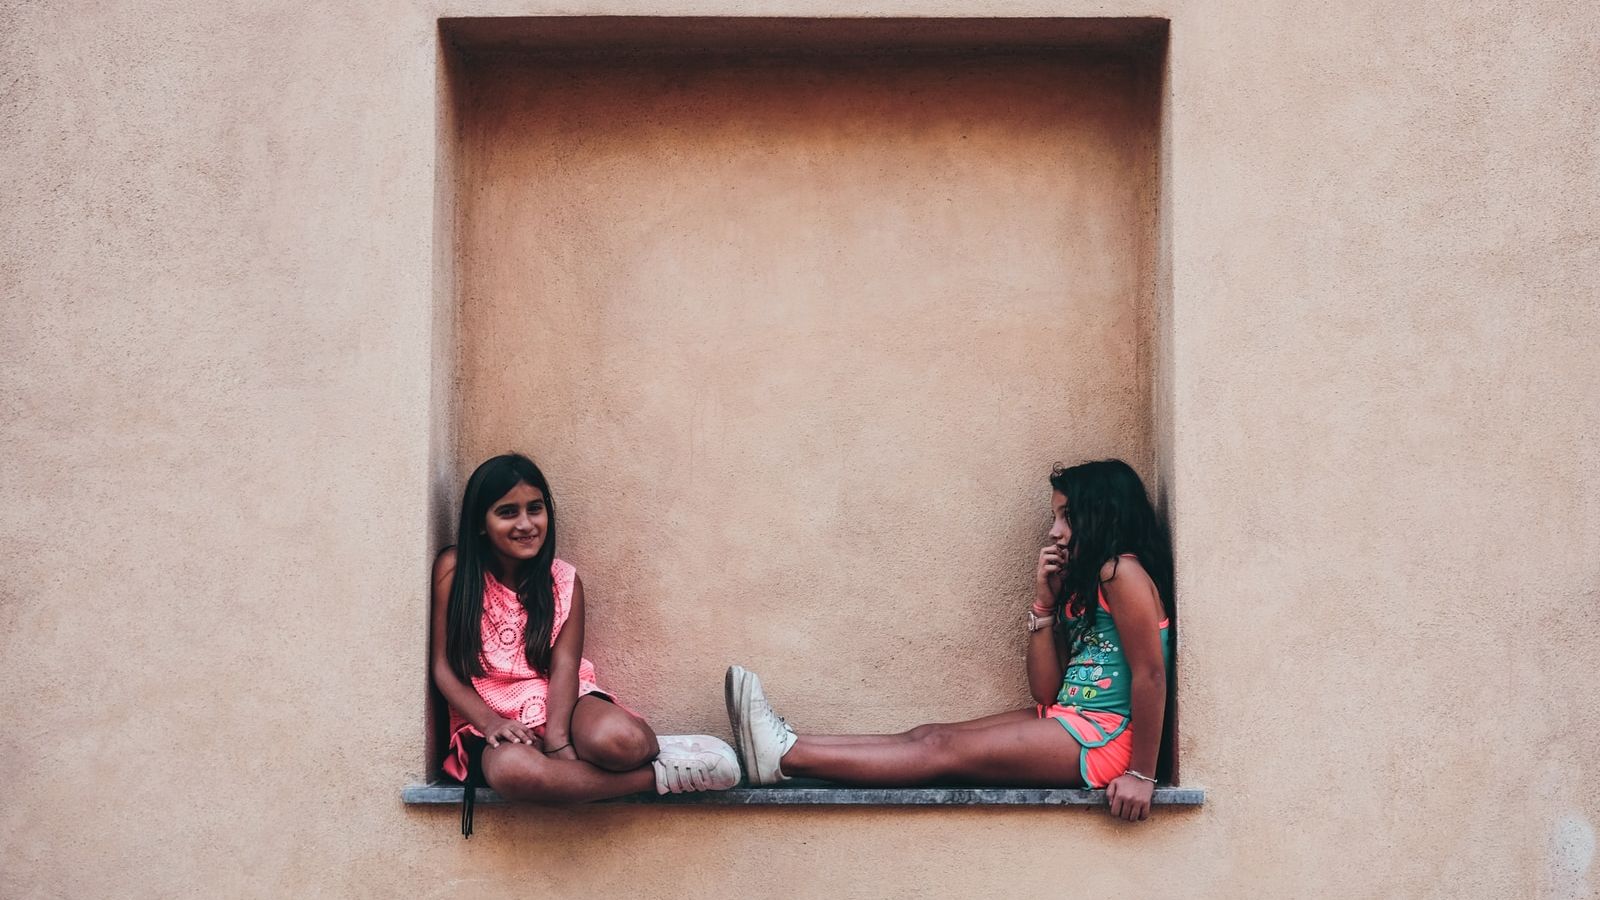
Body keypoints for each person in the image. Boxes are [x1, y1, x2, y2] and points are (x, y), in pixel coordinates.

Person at [726, 459, 1174, 821]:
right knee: (929, 735)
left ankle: (788, 757)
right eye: (1055, 516)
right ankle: (788, 745)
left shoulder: (1122, 573)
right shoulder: (1088, 586)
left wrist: (1141, 774)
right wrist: (1044, 605)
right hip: (1071, 719)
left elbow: (1151, 675)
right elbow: (1046, 692)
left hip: (1107, 738)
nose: (1054, 531)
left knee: (941, 752)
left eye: (1068, 517)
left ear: (1104, 515)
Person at [433, 454, 739, 833]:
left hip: (563, 702)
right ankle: (661, 777)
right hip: (490, 719)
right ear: (481, 523)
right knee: (515, 772)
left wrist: (559, 743)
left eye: (535, 509)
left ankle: (657, 753)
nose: (526, 524)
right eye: (507, 512)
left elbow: (564, 668)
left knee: (622, 742)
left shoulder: (562, 581)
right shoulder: (455, 570)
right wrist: (490, 721)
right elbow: (442, 668)